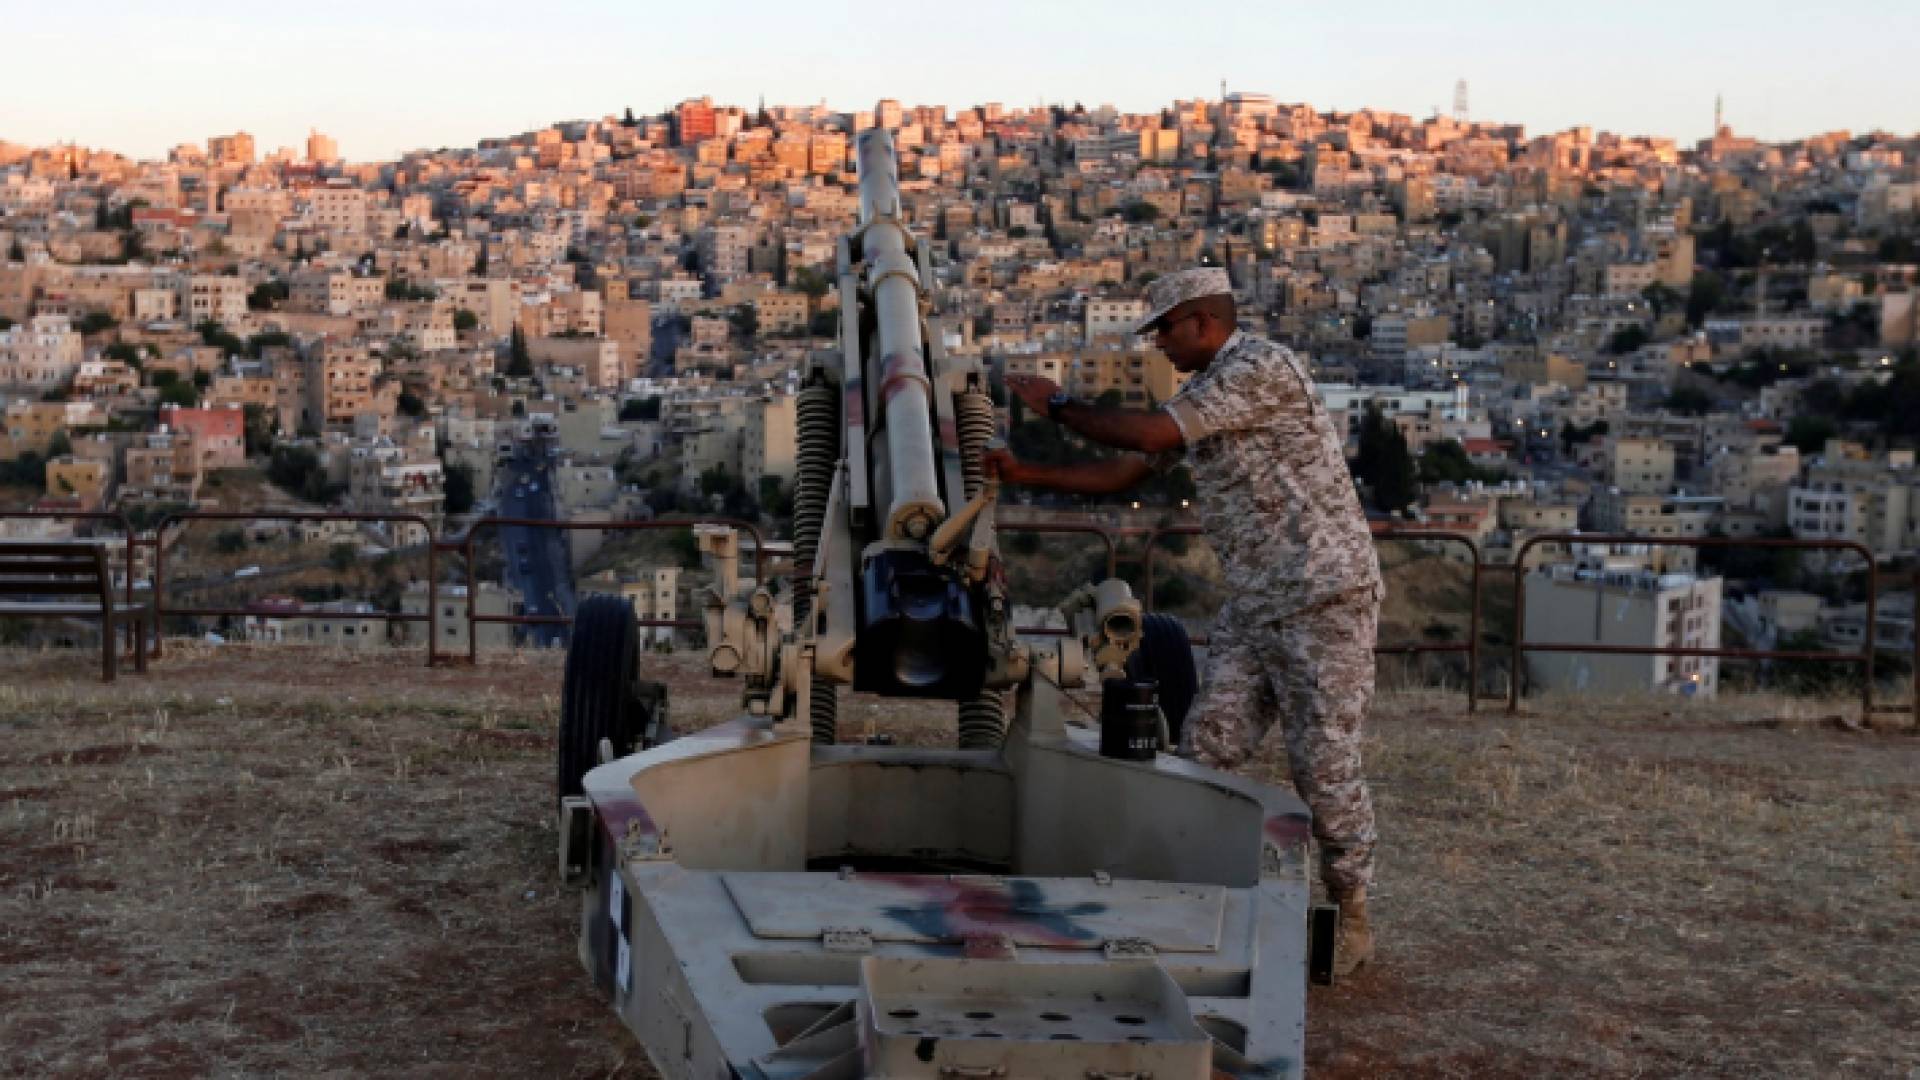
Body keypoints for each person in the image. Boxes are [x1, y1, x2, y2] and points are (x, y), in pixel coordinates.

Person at [985, 266, 1385, 974]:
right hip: (1256, 604)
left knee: (1324, 766)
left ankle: (1351, 912)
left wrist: (1059, 406)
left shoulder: (1259, 369)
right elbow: (1129, 470)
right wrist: (1026, 476)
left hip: (1322, 597)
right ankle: (1190, 898)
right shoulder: (1207, 395)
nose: (1159, 343)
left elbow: (1149, 434)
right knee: (1205, 749)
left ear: (1204, 320)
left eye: (1166, 328)